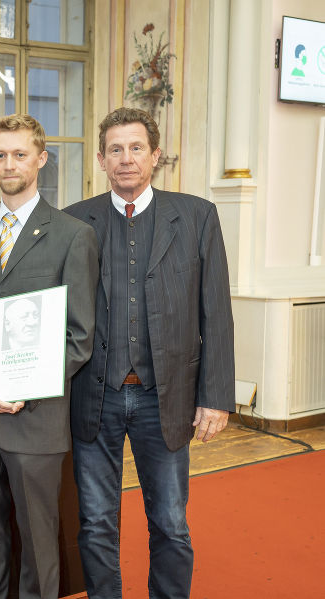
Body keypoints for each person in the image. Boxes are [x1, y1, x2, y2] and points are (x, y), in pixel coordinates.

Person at [63, 107, 235, 599]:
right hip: (95, 396)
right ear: (101, 158)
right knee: (95, 524)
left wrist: (216, 396)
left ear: (155, 156)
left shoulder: (198, 215)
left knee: (170, 523)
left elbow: (215, 311)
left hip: (168, 397)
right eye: (115, 149)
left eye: (136, 148)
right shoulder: (76, 221)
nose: (126, 159)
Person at [0, 114, 99, 599]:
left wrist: (21, 389)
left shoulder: (72, 235)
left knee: (39, 540)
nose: (9, 164)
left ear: (41, 159)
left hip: (35, 416)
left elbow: (79, 335)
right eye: (0, 155)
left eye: (20, 154)